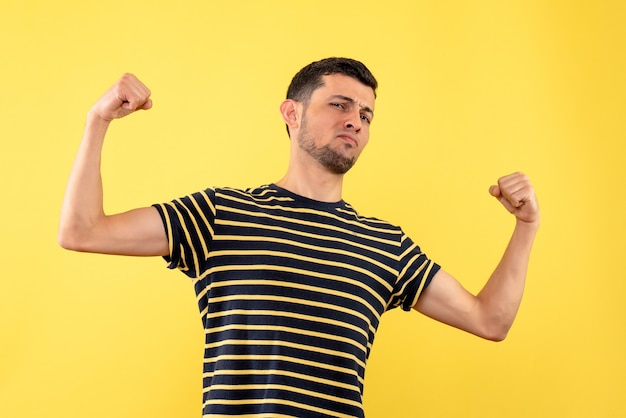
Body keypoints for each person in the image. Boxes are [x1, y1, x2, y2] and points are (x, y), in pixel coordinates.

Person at [58, 57, 540, 417]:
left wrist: (526, 227)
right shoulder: (221, 214)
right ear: (291, 113)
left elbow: (489, 320)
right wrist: (97, 120)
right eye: (340, 105)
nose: (356, 120)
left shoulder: (384, 245)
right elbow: (82, 231)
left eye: (367, 115)